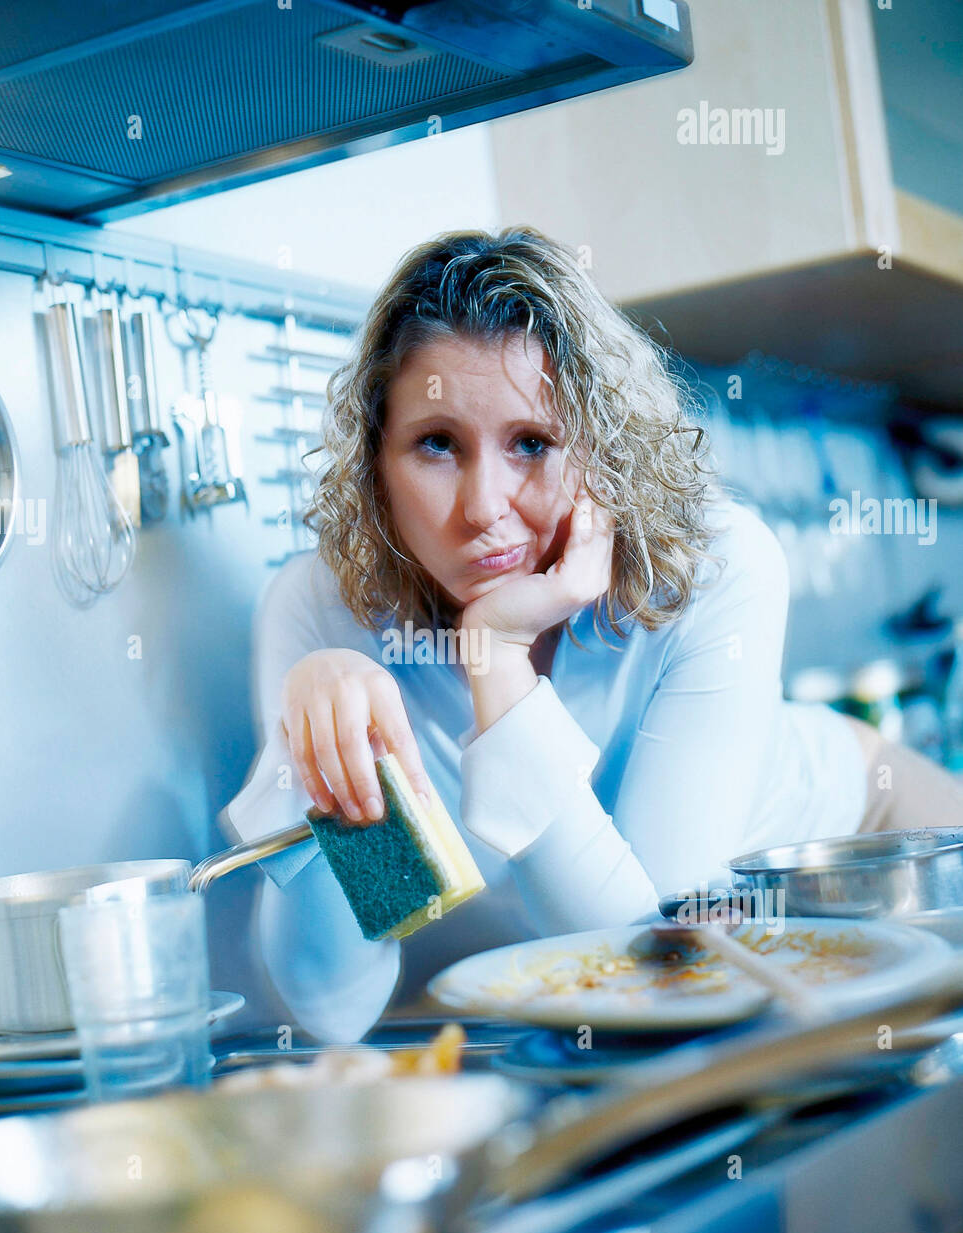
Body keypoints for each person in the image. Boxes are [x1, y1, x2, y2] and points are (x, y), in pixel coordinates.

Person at [221, 226, 963, 1043]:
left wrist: (497, 663)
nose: (481, 507)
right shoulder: (328, 615)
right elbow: (330, 1011)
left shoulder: (716, 563)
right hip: (668, 977)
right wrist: (316, 771)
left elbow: (652, 956)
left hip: (857, 841)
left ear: (603, 450)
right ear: (374, 460)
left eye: (531, 443)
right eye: (436, 444)